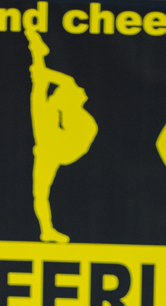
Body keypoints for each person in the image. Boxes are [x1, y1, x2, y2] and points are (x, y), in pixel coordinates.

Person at [26, 26, 98, 243]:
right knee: (40, 193)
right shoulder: (50, 113)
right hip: (51, 147)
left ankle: (37, 51)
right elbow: (51, 84)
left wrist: (42, 72)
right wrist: (39, 61)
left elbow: (66, 84)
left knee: (40, 88)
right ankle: (46, 230)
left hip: (62, 147)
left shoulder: (81, 119)